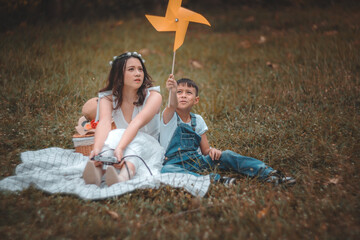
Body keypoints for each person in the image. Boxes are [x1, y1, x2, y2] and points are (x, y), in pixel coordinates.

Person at [160, 75, 296, 186]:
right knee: (166, 170)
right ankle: (216, 180)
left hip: (197, 161)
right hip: (174, 163)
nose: (183, 95)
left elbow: (205, 150)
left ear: (196, 100)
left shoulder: (198, 120)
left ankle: (268, 173)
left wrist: (212, 151)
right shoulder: (169, 116)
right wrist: (172, 90)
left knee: (227, 155)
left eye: (188, 93)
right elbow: (171, 105)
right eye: (179, 92)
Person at [82, 52, 163, 187]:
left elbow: (136, 123)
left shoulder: (154, 96)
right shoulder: (108, 98)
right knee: (112, 138)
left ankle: (123, 177)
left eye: (140, 69)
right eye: (131, 69)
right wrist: (96, 149)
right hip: (124, 142)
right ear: (118, 74)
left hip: (149, 146)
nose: (138, 73)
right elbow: (104, 123)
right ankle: (96, 171)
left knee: (135, 145)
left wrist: (120, 147)